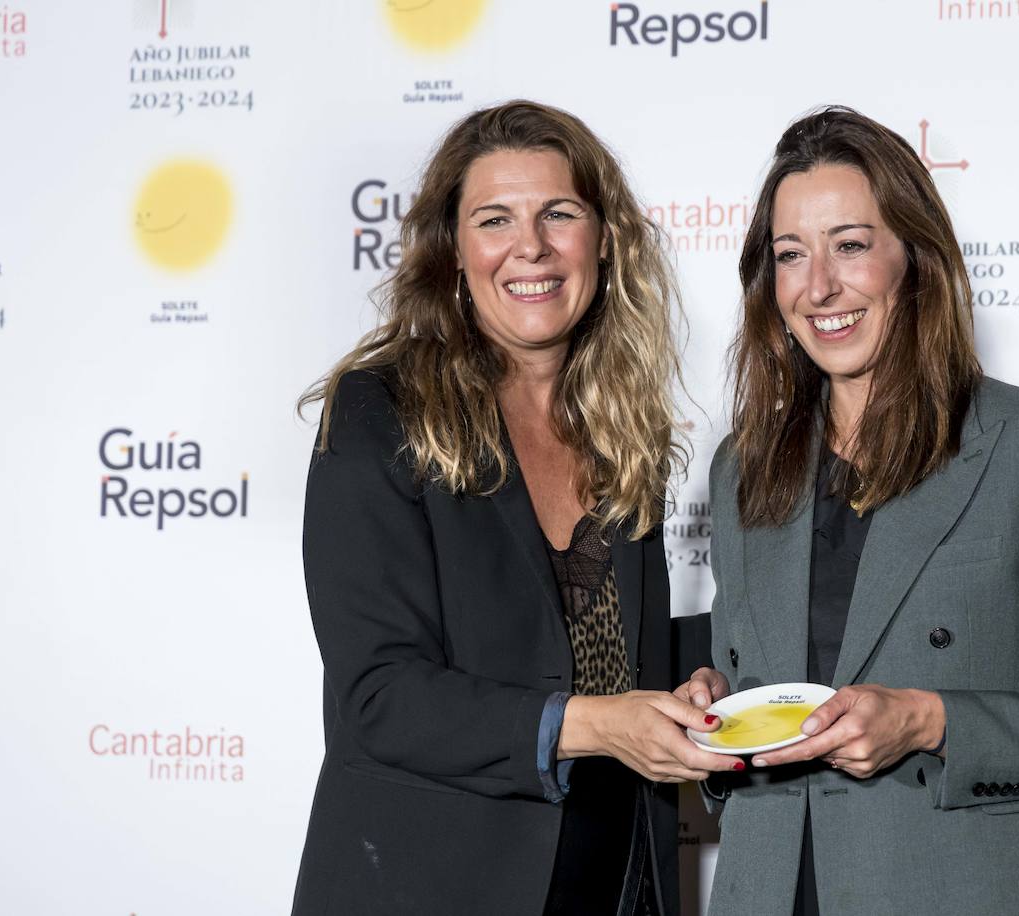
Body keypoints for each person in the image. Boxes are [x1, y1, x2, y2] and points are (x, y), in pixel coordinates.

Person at [676, 107, 1019, 916]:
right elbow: (758, 692)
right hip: (768, 889)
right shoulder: (742, 467)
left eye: (851, 245)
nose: (819, 285)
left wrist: (930, 721)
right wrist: (715, 715)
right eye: (792, 255)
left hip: (954, 888)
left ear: (915, 259)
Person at [291, 100, 742, 916]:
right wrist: (598, 727)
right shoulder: (379, 411)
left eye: (558, 213)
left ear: (603, 240)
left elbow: (593, 661)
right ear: (453, 253)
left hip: (613, 880)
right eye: (495, 219)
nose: (529, 246)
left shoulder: (619, 425)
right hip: (427, 885)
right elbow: (379, 697)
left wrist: (709, 677)